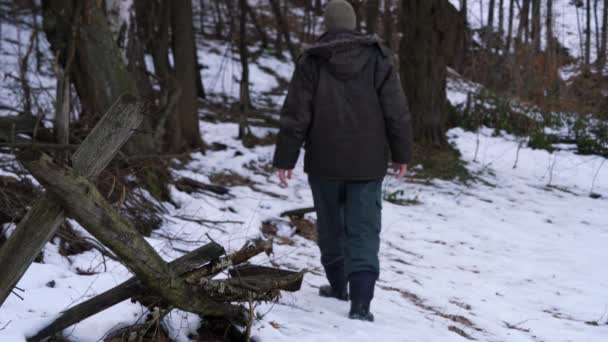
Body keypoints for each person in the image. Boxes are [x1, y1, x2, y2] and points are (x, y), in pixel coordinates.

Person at [272, 0, 412, 322]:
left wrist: (285, 158)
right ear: (352, 24)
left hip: (324, 161)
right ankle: (360, 305)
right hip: (367, 163)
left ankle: (338, 287)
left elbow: (295, 114)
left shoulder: (312, 60)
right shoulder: (378, 57)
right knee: (363, 230)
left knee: (331, 226)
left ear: (327, 24)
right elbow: (396, 110)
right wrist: (402, 153)